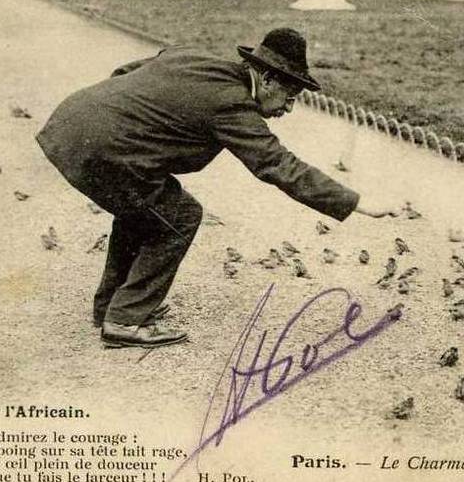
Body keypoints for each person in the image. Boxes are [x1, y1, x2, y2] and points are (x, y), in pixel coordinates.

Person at [37, 28, 397, 349]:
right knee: (180, 216)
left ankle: (112, 307)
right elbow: (278, 165)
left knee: (147, 211)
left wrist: (124, 118)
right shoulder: (232, 104)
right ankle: (126, 320)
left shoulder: (193, 57)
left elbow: (127, 74)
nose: (288, 109)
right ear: (268, 79)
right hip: (102, 150)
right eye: (290, 97)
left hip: (72, 121)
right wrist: (355, 202)